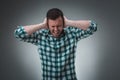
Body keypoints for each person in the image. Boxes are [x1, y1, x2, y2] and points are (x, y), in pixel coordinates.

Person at [14, 8, 97, 80]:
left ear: (63, 24)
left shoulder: (72, 33)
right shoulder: (40, 36)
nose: (56, 29)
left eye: (59, 25)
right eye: (52, 26)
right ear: (48, 25)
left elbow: (93, 27)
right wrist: (42, 25)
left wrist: (69, 22)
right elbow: (18, 34)